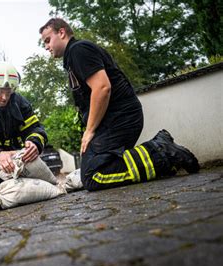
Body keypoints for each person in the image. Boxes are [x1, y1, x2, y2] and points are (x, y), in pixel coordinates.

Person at [39, 18, 199, 191]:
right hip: (114, 119)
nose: (47, 46)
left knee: (92, 176)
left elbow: (102, 88)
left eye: (48, 40)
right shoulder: (74, 56)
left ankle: (161, 151)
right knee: (97, 169)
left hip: (120, 117)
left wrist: (90, 130)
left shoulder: (78, 50)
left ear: (61, 33)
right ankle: (161, 158)